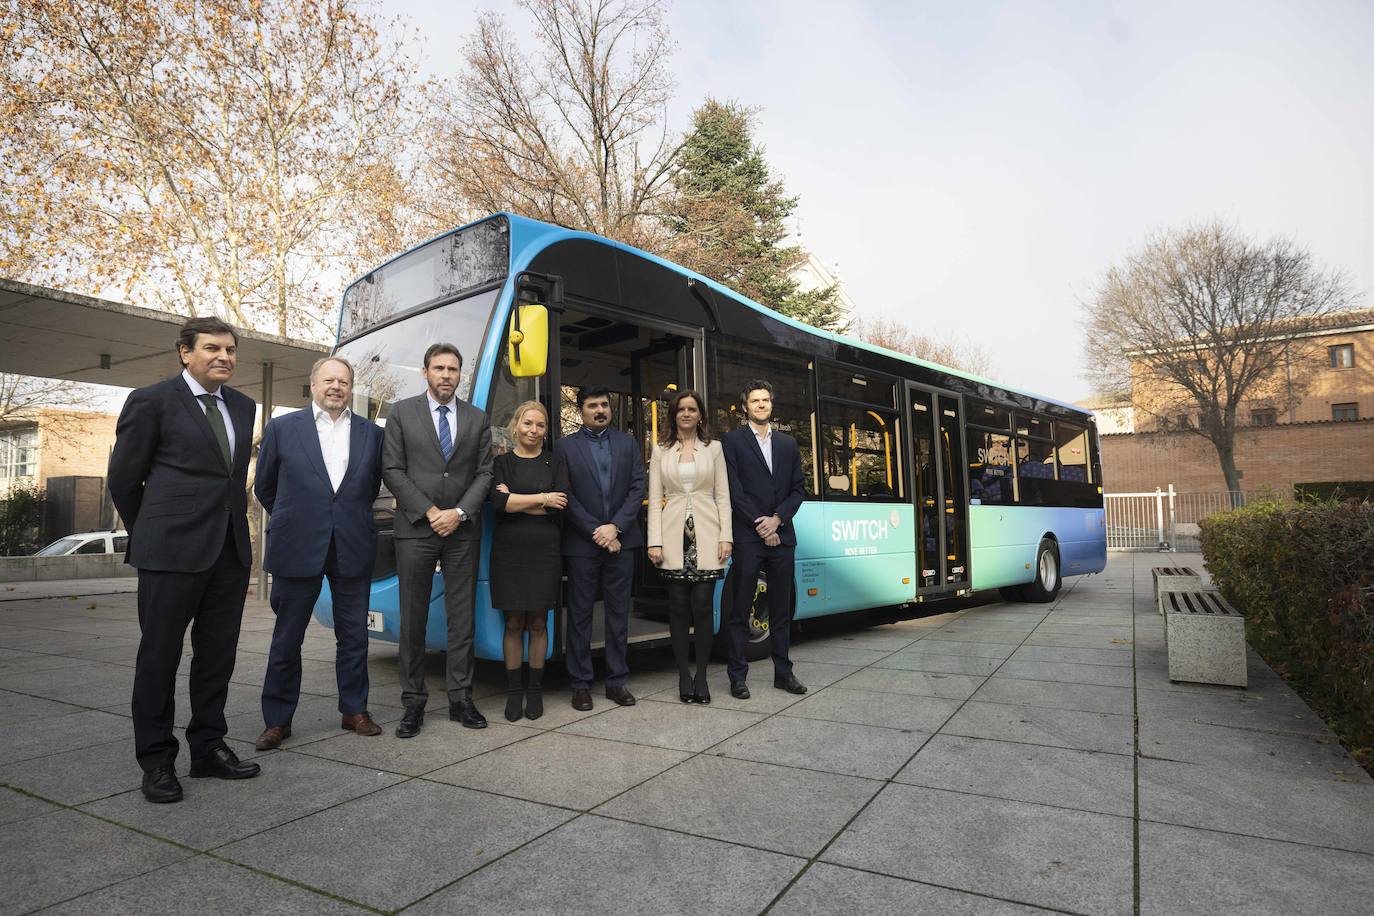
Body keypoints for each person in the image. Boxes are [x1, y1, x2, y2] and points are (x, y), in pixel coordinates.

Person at [108, 316, 261, 804]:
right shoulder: (151, 401)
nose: (224, 357)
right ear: (184, 352)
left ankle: (208, 748)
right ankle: (156, 762)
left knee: (217, 658)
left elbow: (229, 480)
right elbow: (124, 480)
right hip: (169, 552)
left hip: (229, 552)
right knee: (159, 658)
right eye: (213, 348)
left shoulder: (243, 405)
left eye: (231, 350)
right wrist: (152, 532)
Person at [252, 356, 385, 751]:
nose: (336, 387)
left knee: (354, 636)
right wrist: (299, 518)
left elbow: (370, 487)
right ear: (313, 385)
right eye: (328, 380)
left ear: (350, 387)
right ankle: (277, 720)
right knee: (287, 638)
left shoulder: (371, 435)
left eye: (343, 381)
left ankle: (354, 710)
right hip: (297, 546)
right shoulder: (281, 428)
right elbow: (265, 487)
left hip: (351, 545)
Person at [382, 343, 493, 737]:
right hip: (415, 528)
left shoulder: (477, 418)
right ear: (425, 372)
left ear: (460, 374)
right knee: (412, 620)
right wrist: (431, 513)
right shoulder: (400, 412)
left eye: (453, 369)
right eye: (439, 368)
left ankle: (461, 699)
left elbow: (484, 473)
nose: (446, 375)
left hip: (462, 531)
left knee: (461, 620)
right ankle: (413, 704)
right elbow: (392, 469)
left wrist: (459, 513)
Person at [555, 386, 646, 711]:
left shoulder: (628, 443)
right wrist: (597, 530)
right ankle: (580, 684)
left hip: (622, 541)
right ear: (581, 410)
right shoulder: (565, 447)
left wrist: (615, 527)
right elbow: (564, 494)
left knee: (618, 614)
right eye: (592, 405)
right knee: (579, 615)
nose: (600, 410)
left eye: (604, 405)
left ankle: (616, 681)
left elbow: (638, 486)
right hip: (582, 544)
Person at [721, 379, 808, 699]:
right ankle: (737, 677)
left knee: (781, 612)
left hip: (783, 537)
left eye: (765, 400)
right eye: (754, 400)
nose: (760, 405)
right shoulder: (731, 441)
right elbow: (733, 489)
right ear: (745, 406)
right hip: (747, 537)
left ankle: (783, 674)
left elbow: (798, 489)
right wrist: (761, 525)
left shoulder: (787, 444)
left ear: (772, 405)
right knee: (740, 610)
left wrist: (777, 520)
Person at [647, 390, 732, 704]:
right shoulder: (660, 450)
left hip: (708, 535)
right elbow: (655, 500)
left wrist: (727, 537)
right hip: (672, 537)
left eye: (692, 409)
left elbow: (722, 496)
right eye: (681, 409)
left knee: (702, 606)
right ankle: (684, 675)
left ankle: (702, 677)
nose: (686, 414)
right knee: (678, 608)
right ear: (674, 414)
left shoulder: (714, 449)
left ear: (700, 415)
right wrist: (653, 541)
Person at [490, 401, 568, 721]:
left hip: (545, 553)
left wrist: (516, 500)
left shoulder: (554, 462)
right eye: (528, 423)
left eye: (540, 425)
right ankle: (513, 692)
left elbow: (560, 505)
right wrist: (541, 498)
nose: (533, 430)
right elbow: (497, 504)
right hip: (509, 553)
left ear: (545, 431)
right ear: (516, 426)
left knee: (538, 622)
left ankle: (534, 691)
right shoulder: (502, 463)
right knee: (513, 623)